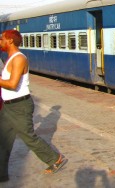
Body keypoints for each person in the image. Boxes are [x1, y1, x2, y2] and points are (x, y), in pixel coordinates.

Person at [0, 30, 67, 182]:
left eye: (2, 38)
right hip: (9, 106)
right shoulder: (10, 58)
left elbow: (12, 84)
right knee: (3, 140)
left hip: (19, 105)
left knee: (29, 137)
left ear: (10, 41)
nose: (0, 41)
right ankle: (1, 174)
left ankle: (55, 159)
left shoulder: (19, 59)